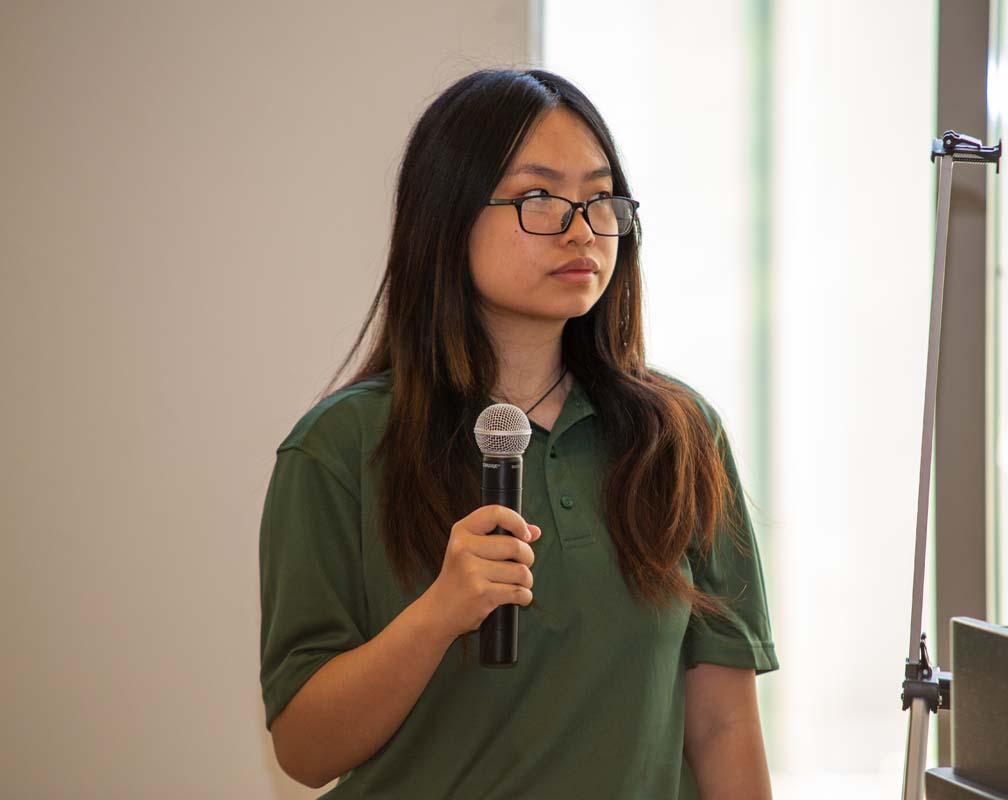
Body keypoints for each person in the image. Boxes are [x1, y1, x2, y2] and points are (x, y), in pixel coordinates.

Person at [258, 68, 779, 798]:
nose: (580, 229)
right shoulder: (339, 447)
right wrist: (438, 614)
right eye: (540, 198)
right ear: (446, 214)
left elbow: (724, 726)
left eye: (600, 200)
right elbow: (305, 750)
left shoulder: (681, 435)